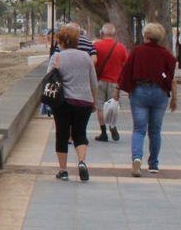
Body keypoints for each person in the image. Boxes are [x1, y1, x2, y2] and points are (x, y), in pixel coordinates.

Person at [118, 22, 178, 176]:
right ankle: (153, 164)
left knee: (139, 129)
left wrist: (121, 89)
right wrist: (173, 98)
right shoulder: (165, 54)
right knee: (155, 131)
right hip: (159, 93)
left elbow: (126, 70)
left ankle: (137, 158)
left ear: (145, 35)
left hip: (139, 91)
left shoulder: (137, 51)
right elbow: (170, 76)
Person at [48, 24, 99, 182]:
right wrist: (94, 101)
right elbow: (94, 82)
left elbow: (49, 78)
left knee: (62, 134)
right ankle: (82, 162)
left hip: (62, 102)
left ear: (61, 41)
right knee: (80, 134)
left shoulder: (57, 57)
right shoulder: (85, 57)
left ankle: (63, 170)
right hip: (84, 101)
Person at [92, 23, 129, 142]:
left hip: (100, 81)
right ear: (114, 34)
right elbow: (126, 66)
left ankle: (103, 133)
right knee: (113, 107)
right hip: (115, 82)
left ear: (102, 33)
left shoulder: (96, 46)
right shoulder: (121, 47)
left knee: (100, 107)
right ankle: (112, 126)